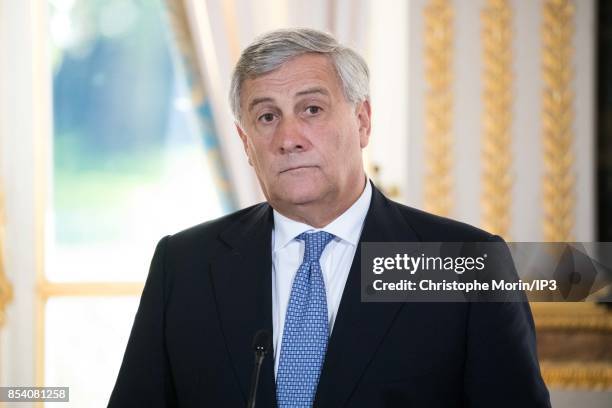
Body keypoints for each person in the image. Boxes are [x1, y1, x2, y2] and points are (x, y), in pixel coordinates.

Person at [108, 28, 550, 407]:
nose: (288, 138)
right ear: (246, 143)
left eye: (312, 110)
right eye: (266, 117)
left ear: (362, 121)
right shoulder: (184, 265)